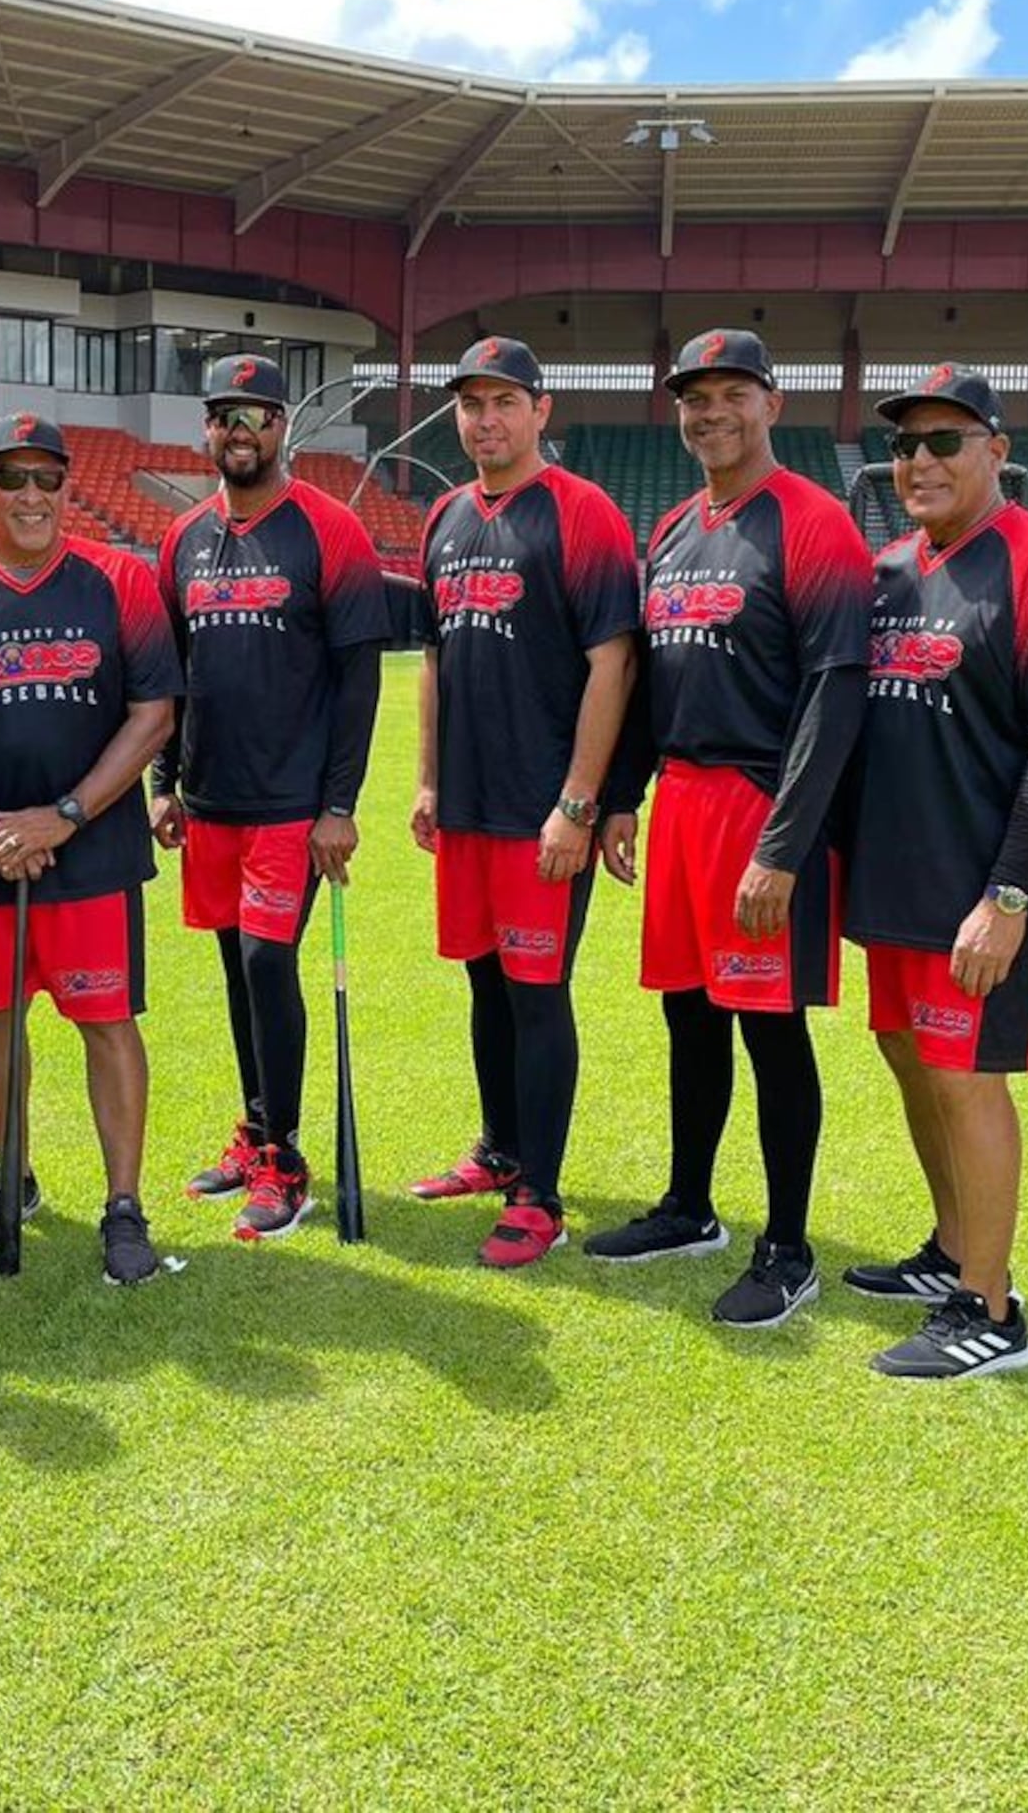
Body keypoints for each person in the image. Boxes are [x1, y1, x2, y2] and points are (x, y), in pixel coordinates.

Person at [592, 329, 870, 1327]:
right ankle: (686, 1205)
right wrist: (625, 794)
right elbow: (652, 682)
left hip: (764, 804)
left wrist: (785, 848)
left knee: (769, 1024)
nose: (709, 413)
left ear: (771, 402)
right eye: (692, 398)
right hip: (682, 799)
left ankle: (787, 1248)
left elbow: (835, 697)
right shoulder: (670, 527)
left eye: (730, 395)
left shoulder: (813, 524)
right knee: (687, 1011)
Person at [842, 365, 1028, 1379]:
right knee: (910, 1062)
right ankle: (950, 1252)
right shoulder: (893, 569)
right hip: (901, 888)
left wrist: (1007, 900)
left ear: (997, 451)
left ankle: (990, 1312)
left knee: (966, 1085)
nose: (919, 461)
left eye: (944, 441)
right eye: (905, 445)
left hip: (983, 897)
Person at [0, 412, 181, 1286]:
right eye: (10, 478)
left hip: (92, 851)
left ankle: (123, 1204)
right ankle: (11, 1175)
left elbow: (154, 712)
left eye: (45, 480)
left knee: (106, 1021)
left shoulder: (119, 580)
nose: (29, 496)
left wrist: (65, 814)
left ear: (67, 487)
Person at [408, 336, 639, 1268]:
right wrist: (428, 778)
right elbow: (432, 659)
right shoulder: (446, 517)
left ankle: (541, 1192)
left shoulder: (582, 515)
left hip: (542, 808)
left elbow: (612, 663)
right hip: (467, 804)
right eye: (471, 404)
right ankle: (500, 1148)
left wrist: (579, 803)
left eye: (504, 402)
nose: (486, 420)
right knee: (483, 980)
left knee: (537, 993)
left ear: (542, 411)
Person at [152, 352, 391, 1241]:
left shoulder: (330, 530)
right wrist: (165, 785)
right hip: (211, 802)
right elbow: (170, 678)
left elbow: (358, 679)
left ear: (283, 427)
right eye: (225, 416)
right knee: (231, 969)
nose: (240, 431)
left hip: (292, 805)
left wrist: (338, 805)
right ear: (208, 430)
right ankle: (254, 1132)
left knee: (265, 964)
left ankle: (285, 1160)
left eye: (256, 415)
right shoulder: (185, 539)